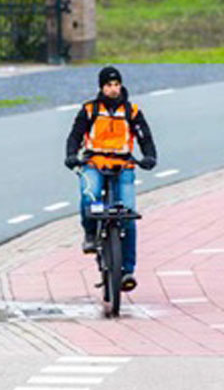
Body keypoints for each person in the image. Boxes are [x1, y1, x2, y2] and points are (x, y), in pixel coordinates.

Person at [64, 66, 157, 291]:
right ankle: (90, 234)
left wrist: (150, 156)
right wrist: (71, 155)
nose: (113, 89)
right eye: (109, 85)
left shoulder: (131, 111)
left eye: (116, 85)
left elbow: (144, 136)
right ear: (102, 87)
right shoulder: (90, 110)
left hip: (123, 164)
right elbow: (76, 134)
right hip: (94, 163)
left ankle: (127, 271)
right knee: (91, 198)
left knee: (128, 214)